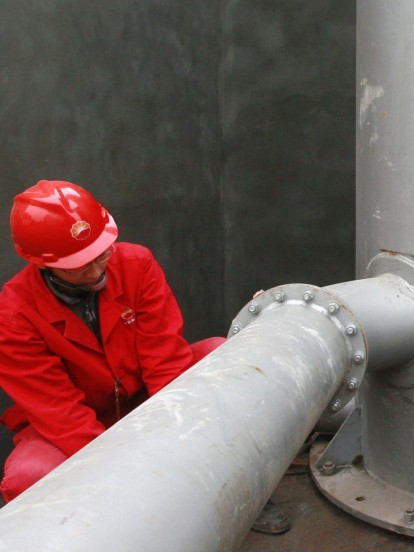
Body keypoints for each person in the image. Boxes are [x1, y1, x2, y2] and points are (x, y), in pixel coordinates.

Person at [0, 180, 289, 534]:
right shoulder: (13, 314)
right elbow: (59, 411)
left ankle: (241, 495)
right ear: (42, 263)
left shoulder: (136, 264)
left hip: (148, 399)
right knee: (28, 475)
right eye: (78, 265)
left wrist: (181, 440)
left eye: (101, 254)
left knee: (220, 356)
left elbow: (166, 363)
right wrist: (125, 469)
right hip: (81, 425)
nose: (95, 272)